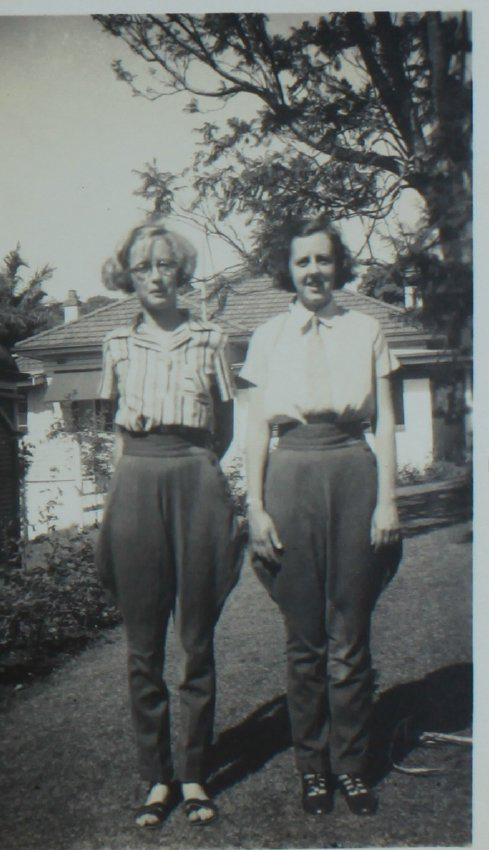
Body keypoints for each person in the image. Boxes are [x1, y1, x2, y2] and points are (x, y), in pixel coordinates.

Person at [241, 216, 401, 817]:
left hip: (353, 468)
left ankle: (353, 766)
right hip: (291, 473)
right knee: (304, 639)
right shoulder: (266, 337)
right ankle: (313, 768)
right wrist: (255, 506)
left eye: (323, 260)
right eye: (303, 261)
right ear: (289, 269)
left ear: (339, 267)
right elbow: (255, 428)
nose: (313, 271)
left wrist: (388, 498)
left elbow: (385, 421)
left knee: (350, 634)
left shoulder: (367, 329)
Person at [95, 222, 243, 828]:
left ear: (181, 271)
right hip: (136, 483)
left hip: (195, 474)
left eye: (164, 265)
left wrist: (199, 468)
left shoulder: (212, 338)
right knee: (142, 644)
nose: (154, 277)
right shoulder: (116, 345)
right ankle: (156, 779)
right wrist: (117, 496)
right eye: (141, 268)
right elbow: (118, 434)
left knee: (196, 638)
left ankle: (195, 772)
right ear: (127, 278)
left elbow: (226, 425)